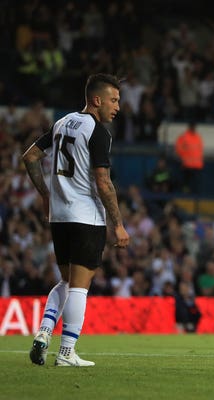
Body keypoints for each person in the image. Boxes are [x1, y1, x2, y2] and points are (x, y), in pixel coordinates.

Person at [22, 73, 130, 367]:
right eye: (114, 100)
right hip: (86, 216)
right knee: (80, 287)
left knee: (67, 281)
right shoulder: (97, 132)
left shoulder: (61, 123)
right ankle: (67, 351)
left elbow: (30, 156)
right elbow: (104, 182)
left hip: (59, 217)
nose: (118, 107)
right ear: (97, 100)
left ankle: (44, 331)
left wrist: (45, 194)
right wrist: (118, 223)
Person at [174, 121, 203, 194]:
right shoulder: (184, 137)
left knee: (196, 184)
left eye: (195, 127)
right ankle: (185, 195)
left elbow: (200, 150)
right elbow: (178, 148)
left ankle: (196, 197)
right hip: (187, 164)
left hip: (197, 165)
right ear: (189, 127)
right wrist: (184, 157)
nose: (194, 128)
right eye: (192, 127)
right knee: (186, 182)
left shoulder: (198, 137)